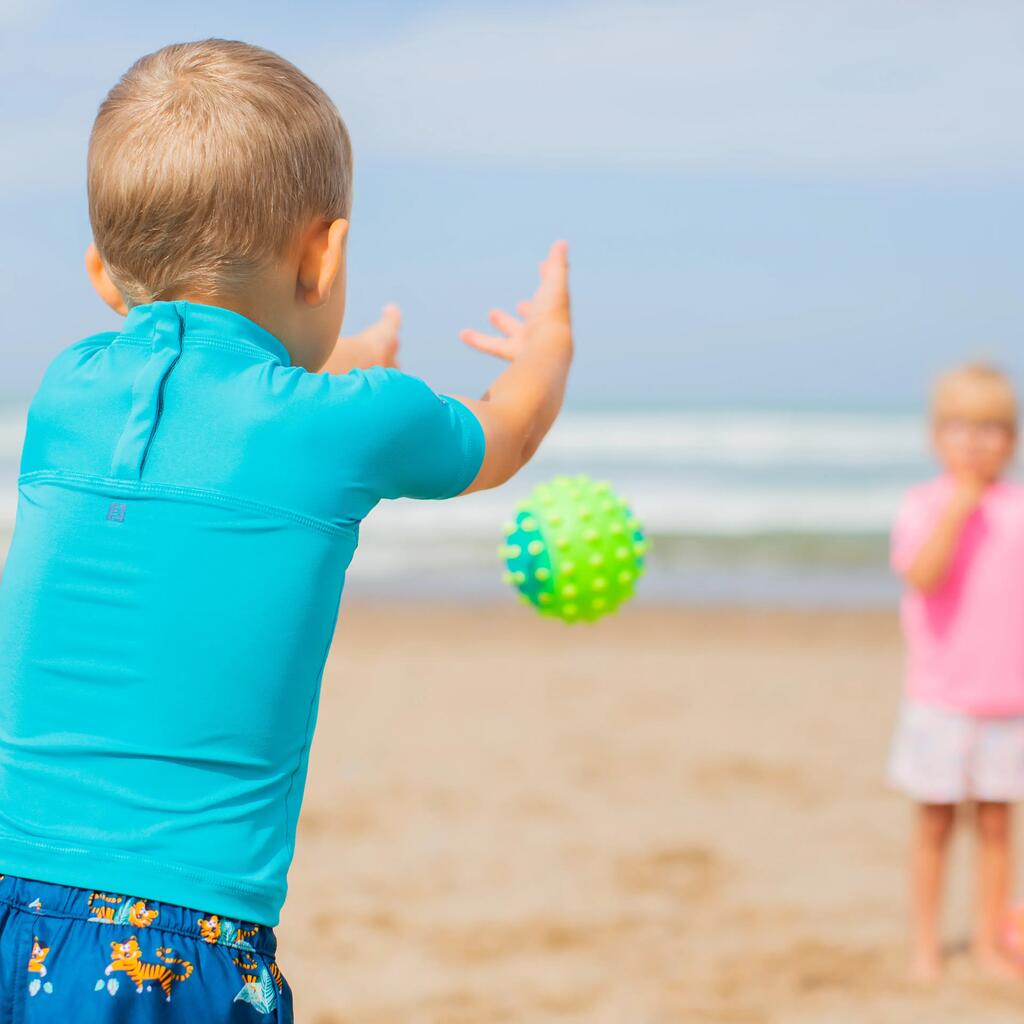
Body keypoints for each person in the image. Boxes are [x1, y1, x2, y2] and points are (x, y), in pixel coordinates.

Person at [0, 38, 572, 1021]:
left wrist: (327, 366)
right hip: (173, 938)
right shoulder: (352, 421)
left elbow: (211, 403)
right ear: (325, 254)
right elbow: (504, 431)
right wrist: (547, 350)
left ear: (105, 273)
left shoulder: (68, 390)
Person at [888, 361, 1024, 982]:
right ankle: (925, 943)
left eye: (993, 427)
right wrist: (958, 510)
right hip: (940, 700)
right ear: (936, 436)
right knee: (935, 825)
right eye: (961, 426)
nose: (976, 440)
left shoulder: (1017, 509)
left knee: (997, 827)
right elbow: (922, 574)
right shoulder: (923, 505)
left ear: (1013, 439)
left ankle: (989, 941)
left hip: (1007, 700)